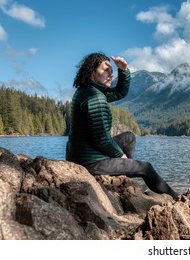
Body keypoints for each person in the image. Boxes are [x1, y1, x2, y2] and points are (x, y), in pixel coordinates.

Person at [65, 52, 179, 199]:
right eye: (105, 70)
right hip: (90, 162)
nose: (110, 74)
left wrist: (123, 70)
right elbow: (102, 139)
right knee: (146, 167)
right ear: (91, 72)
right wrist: (121, 156)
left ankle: (123, 178)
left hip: (83, 153)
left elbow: (119, 92)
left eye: (111, 71)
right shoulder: (96, 98)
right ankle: (176, 198)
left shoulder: (87, 90)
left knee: (129, 137)